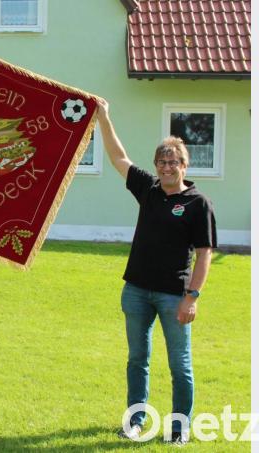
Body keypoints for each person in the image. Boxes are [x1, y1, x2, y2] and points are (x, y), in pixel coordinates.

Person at [95, 98, 217, 444]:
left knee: (180, 366)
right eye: (162, 162)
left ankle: (179, 429)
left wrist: (192, 297)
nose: (167, 167)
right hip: (135, 291)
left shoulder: (198, 204)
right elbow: (119, 158)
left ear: (184, 164)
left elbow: (205, 255)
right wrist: (104, 117)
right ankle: (135, 423)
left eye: (173, 162)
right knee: (137, 360)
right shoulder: (148, 191)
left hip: (173, 296)